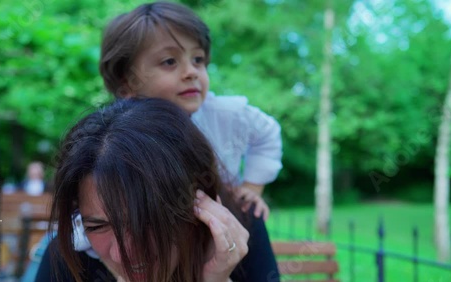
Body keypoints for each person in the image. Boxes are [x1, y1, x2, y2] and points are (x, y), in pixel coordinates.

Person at [34, 98, 279, 281]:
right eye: (97, 226)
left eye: (147, 220)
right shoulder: (68, 259)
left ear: (198, 202)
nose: (123, 254)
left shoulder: (243, 231)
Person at [99, 1, 283, 220]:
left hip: (222, 223)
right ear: (127, 83)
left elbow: (267, 132)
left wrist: (251, 188)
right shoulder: (117, 137)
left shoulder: (227, 114)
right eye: (169, 61)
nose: (191, 72)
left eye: (198, 60)